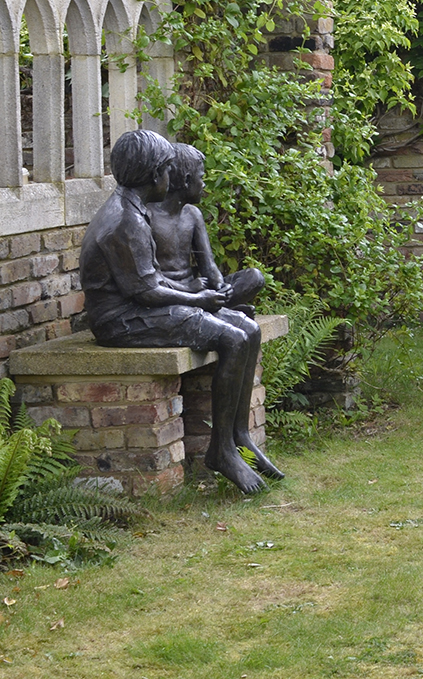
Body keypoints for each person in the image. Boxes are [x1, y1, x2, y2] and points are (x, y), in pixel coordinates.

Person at [80, 129, 282, 494]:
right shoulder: (126, 220)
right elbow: (146, 290)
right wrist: (199, 301)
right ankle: (220, 450)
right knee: (231, 338)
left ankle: (238, 435)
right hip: (122, 321)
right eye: (168, 170)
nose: (172, 177)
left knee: (247, 329)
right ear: (155, 174)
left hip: (140, 309)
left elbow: (153, 282)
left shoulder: (133, 211)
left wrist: (201, 294)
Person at [150, 143, 265, 311]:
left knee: (254, 277)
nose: (204, 185)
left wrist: (220, 286)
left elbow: (208, 266)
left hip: (199, 289)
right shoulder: (148, 217)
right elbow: (150, 280)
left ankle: (218, 308)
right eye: (201, 178)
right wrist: (190, 291)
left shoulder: (193, 214)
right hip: (172, 294)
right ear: (187, 180)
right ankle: (220, 311)